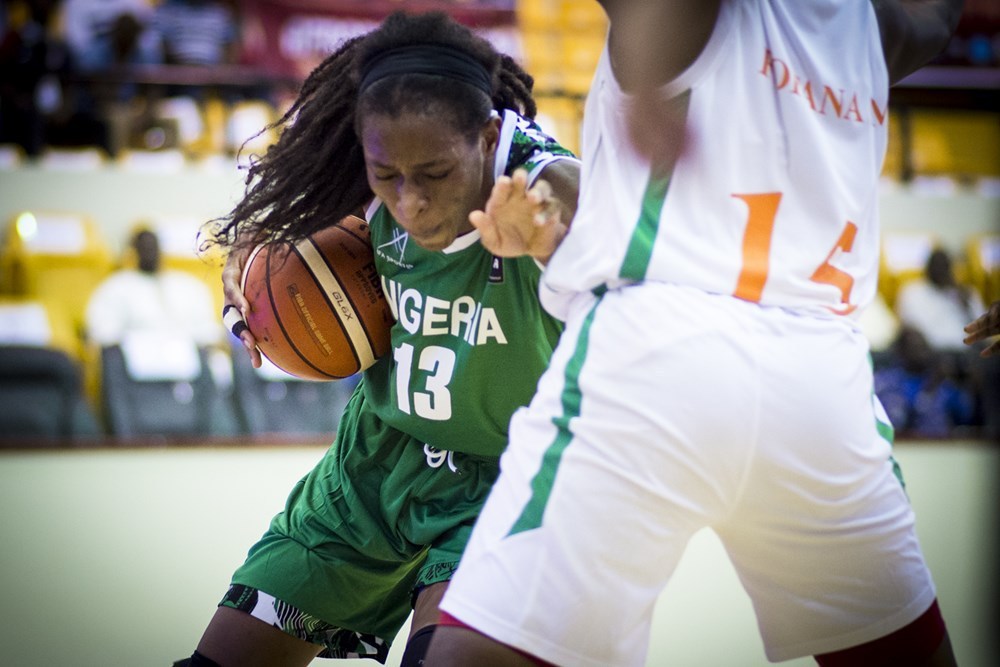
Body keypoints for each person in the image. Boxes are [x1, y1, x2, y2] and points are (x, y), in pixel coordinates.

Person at [426, 1, 964, 666]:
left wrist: (651, 76)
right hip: (823, 384)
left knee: (474, 655)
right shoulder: (878, 25)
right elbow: (939, 17)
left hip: (663, 348)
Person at [175, 11, 580, 667]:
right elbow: (253, 238)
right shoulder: (366, 169)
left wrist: (552, 227)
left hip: (502, 482)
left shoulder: (536, 180)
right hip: (374, 467)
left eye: (435, 173)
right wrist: (241, 289)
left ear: (485, 137)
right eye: (388, 174)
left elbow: (579, 198)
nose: (411, 200)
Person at [85, 228, 222, 348]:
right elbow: (102, 332)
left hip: (184, 356)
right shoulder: (115, 287)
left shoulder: (188, 285)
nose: (150, 253)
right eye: (144, 248)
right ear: (133, 252)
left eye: (153, 247)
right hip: (135, 357)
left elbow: (209, 330)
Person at [874, 326, 976, 438]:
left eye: (924, 347)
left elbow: (965, 416)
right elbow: (902, 423)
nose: (922, 353)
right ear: (901, 351)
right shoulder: (887, 382)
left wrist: (965, 385)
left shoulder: (941, 380)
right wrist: (929, 390)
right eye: (915, 347)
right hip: (902, 446)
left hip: (942, 447)